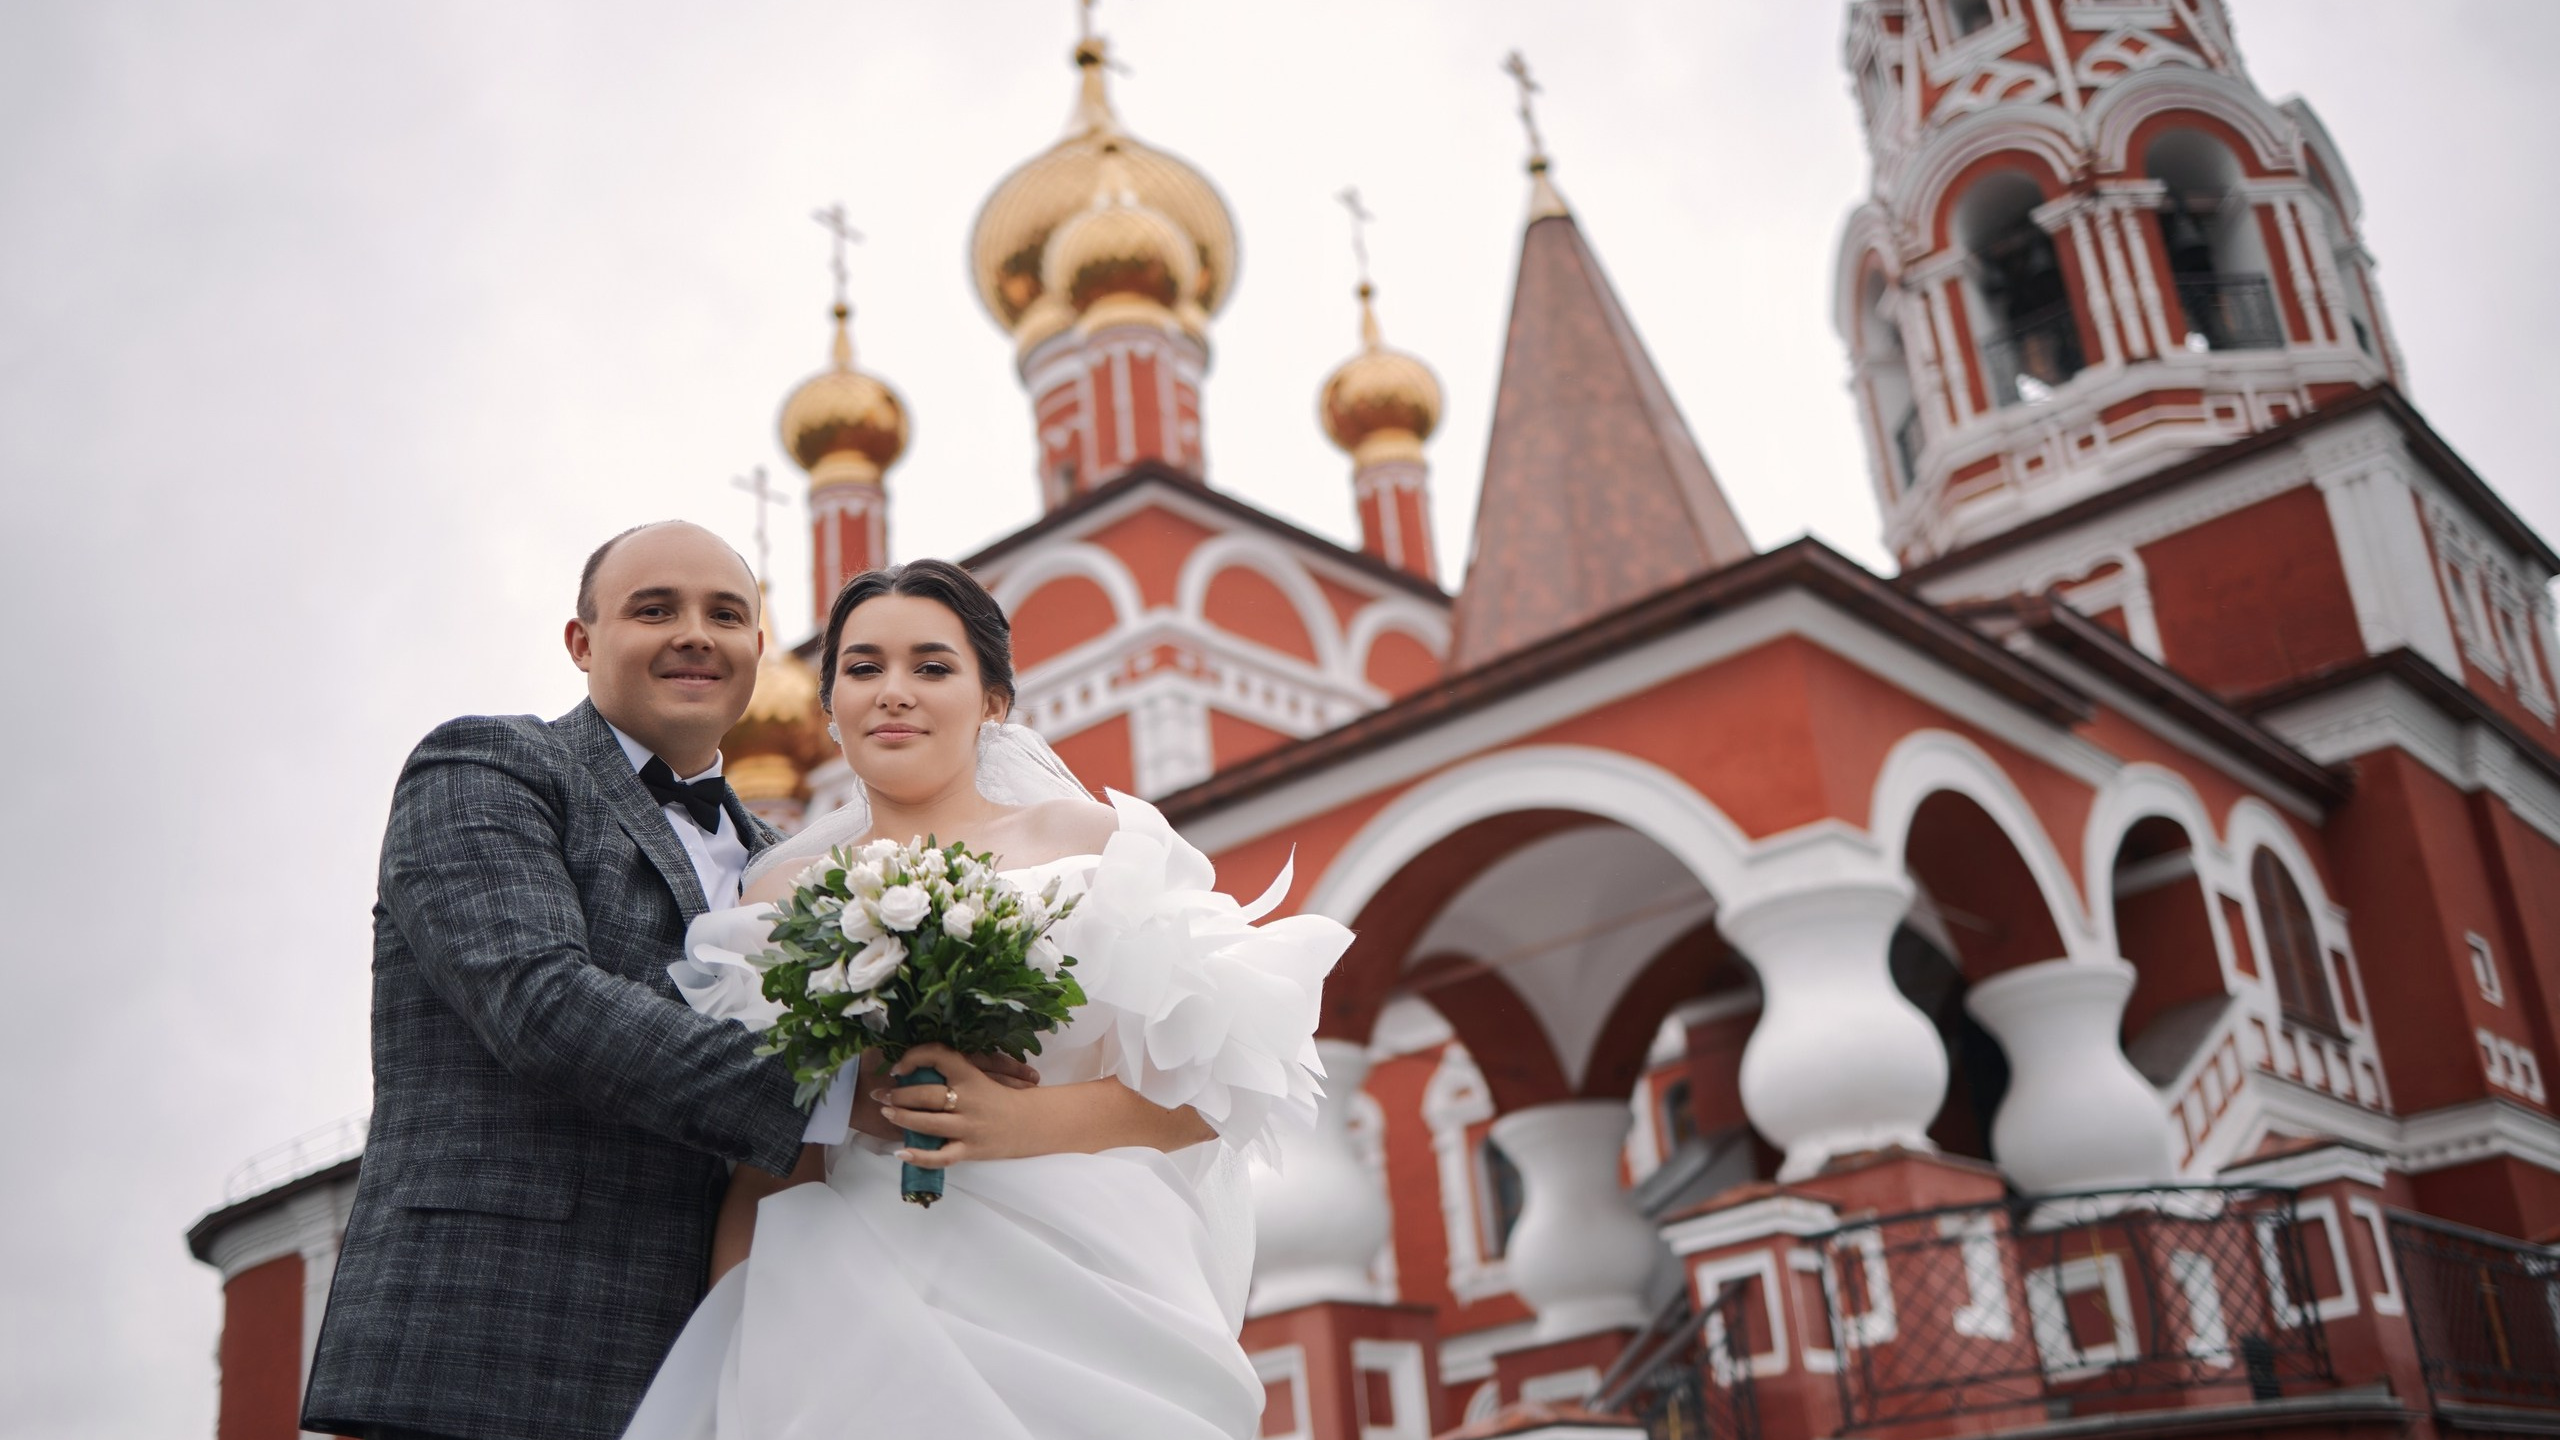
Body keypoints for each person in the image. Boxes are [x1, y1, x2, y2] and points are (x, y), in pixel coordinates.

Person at [302, 523, 1034, 1440]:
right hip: (494, 1336)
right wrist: (853, 1091)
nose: (695, 633)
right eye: (656, 610)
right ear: (581, 641)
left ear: (759, 654)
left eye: (726, 615)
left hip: (719, 1352)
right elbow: (541, 1004)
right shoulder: (488, 768)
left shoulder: (802, 872)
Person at [622, 559, 1350, 1440]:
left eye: (932, 668)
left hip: (1090, 1284)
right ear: (831, 707)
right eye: (863, 669)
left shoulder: (1091, 846)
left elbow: (1219, 1088)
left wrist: (1022, 1124)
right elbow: (769, 1149)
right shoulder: (774, 899)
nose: (894, 693)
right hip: (848, 1297)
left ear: (993, 701)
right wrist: (730, 1344)